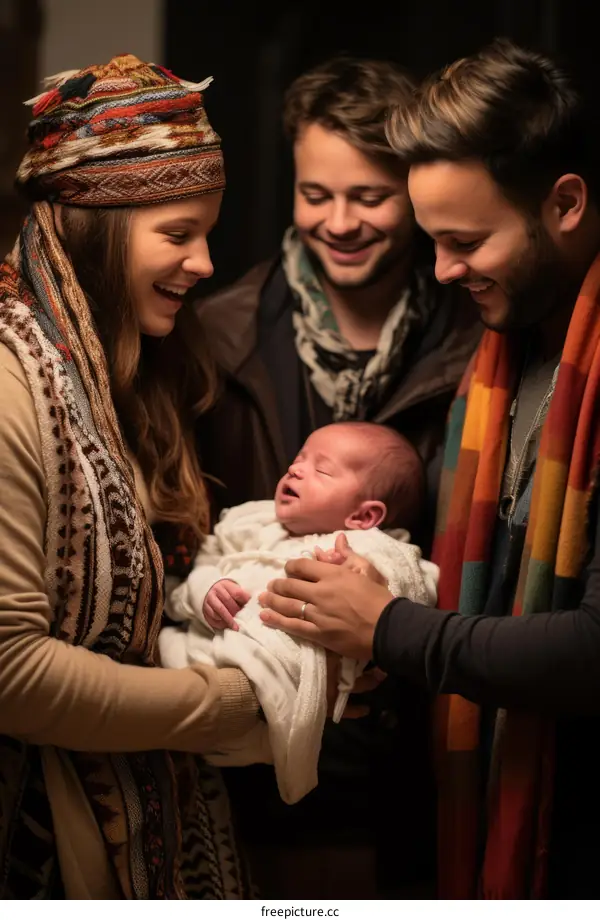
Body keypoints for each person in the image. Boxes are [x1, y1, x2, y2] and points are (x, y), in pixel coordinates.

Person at [258, 39, 600, 899]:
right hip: (466, 810)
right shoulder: (502, 350)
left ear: (565, 203)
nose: (444, 270)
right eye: (436, 242)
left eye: (467, 242)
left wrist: (389, 629)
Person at [194, 54, 480, 899]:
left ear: (416, 193)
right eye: (317, 194)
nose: (340, 222)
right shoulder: (219, 334)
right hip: (251, 752)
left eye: (370, 196)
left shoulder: (477, 338)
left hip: (417, 747)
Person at [0, 53, 270, 900]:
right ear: (97, 226)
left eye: (208, 234)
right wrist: (231, 704)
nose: (204, 264)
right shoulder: (13, 377)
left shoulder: (131, 376)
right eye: (178, 234)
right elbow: (13, 673)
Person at [159, 422, 438, 806]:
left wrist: (376, 583)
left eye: (321, 469)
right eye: (299, 458)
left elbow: (417, 589)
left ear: (363, 516)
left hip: (281, 665)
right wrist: (206, 589)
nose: (295, 470)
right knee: (166, 646)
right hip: (208, 641)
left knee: (268, 696)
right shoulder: (250, 520)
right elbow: (198, 567)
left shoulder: (370, 548)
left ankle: (259, 736)